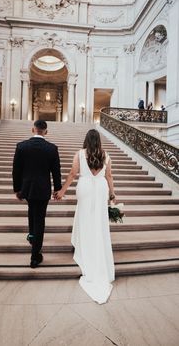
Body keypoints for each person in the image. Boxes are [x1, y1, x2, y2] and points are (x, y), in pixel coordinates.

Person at [55, 129, 115, 304]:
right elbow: (109, 175)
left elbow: (73, 174)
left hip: (86, 187)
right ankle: (97, 249)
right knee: (99, 221)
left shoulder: (80, 154)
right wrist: (112, 193)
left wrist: (62, 191)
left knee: (84, 218)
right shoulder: (106, 155)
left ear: (86, 140)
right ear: (99, 140)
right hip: (101, 188)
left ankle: (84, 248)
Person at [12, 120, 62, 268]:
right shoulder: (52, 149)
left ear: (32, 129)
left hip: (27, 189)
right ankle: (35, 255)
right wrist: (57, 189)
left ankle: (32, 237)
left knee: (32, 212)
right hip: (43, 189)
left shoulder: (21, 146)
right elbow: (56, 172)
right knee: (39, 219)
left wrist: (17, 189)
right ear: (45, 132)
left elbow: (16, 170)